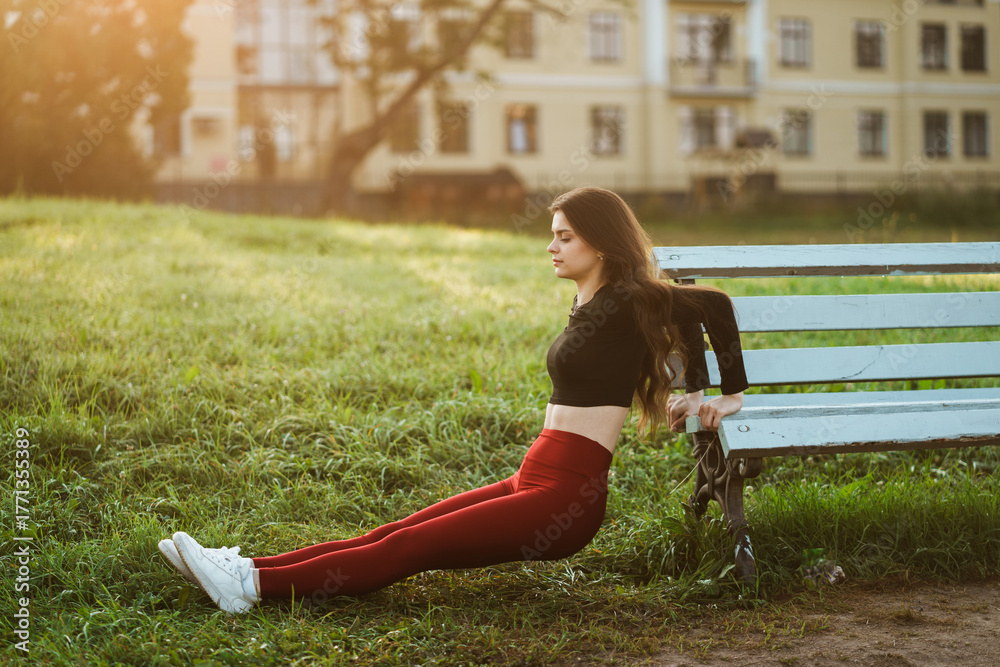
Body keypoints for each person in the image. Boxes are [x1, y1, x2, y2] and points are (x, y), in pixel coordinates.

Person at [158, 186, 749, 613]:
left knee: (410, 547)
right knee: (391, 532)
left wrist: (730, 397)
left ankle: (252, 590)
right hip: (534, 476)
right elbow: (684, 327)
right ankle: (250, 568)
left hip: (564, 498)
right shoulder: (596, 305)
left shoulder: (623, 298)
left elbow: (713, 308)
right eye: (552, 235)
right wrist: (693, 389)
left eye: (565, 237)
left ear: (601, 242)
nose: (552, 247)